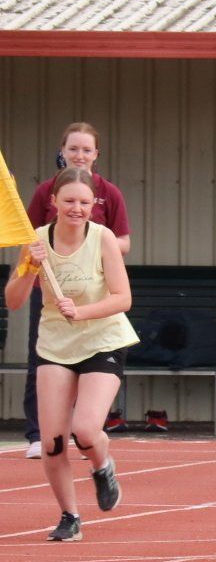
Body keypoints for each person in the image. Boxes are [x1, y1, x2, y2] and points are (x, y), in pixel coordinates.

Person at [5, 168, 138, 541]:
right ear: (53, 203)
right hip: (55, 346)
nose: (76, 209)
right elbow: (14, 302)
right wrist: (28, 270)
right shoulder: (36, 241)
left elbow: (122, 298)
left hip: (102, 340)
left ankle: (103, 465)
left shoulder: (103, 238)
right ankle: (70, 516)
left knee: (85, 430)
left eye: (83, 202)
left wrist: (81, 312)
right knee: (53, 442)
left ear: (93, 205)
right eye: (68, 202)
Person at [22, 123, 131, 459]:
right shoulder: (45, 191)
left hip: (93, 289)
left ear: (96, 155)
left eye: (86, 150)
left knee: (90, 362)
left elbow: (123, 240)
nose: (79, 156)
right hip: (53, 289)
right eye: (73, 149)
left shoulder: (109, 193)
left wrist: (96, 248)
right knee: (41, 359)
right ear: (62, 151)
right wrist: (38, 260)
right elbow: (29, 238)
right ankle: (39, 433)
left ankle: (87, 432)